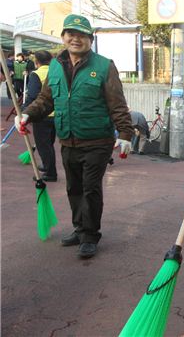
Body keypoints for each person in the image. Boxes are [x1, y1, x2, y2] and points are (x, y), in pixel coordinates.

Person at [15, 14, 134, 259]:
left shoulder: (103, 66)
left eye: (81, 35)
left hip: (97, 141)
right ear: (63, 37)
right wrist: (27, 115)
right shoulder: (57, 66)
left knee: (91, 188)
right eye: (71, 34)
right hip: (68, 138)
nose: (75, 39)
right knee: (74, 188)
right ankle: (80, 229)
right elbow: (46, 100)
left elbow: (117, 104)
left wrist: (125, 134)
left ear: (90, 39)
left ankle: (90, 235)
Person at [23, 50, 57, 182]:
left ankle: (50, 172)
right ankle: (48, 166)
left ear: (36, 62)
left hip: (42, 114)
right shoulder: (56, 72)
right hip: (56, 113)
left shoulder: (35, 74)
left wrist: (25, 112)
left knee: (44, 145)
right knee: (49, 144)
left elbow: (32, 95)